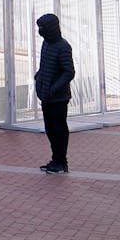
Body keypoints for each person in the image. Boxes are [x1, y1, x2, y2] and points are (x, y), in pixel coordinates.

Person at [34, 12, 76, 174]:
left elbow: (69, 72)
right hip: (46, 96)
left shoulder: (63, 46)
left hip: (58, 98)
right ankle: (55, 159)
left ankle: (61, 161)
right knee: (50, 129)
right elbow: (44, 66)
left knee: (59, 130)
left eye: (43, 28)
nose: (41, 31)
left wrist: (53, 88)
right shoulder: (46, 44)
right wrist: (38, 77)